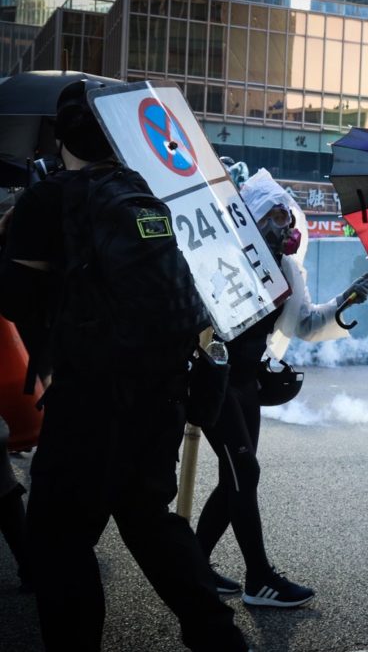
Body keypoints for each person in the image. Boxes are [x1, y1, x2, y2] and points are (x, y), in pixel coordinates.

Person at [0, 80, 247, 651]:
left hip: (90, 397)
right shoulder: (144, 190)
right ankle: (219, 638)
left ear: (60, 137)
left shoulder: (50, 198)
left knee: (58, 538)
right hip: (161, 389)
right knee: (148, 517)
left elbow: (14, 299)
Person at [196, 168, 368, 609]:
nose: (285, 226)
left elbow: (308, 324)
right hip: (216, 379)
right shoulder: (221, 257)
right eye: (273, 216)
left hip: (247, 383)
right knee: (245, 472)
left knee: (235, 476)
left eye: (286, 216)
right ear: (250, 220)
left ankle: (194, 566)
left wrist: (345, 301)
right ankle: (258, 578)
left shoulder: (288, 268)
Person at [0, 417, 30, 593]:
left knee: (19, 535)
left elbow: (3, 433)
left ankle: (31, 574)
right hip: (5, 486)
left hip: (4, 487)